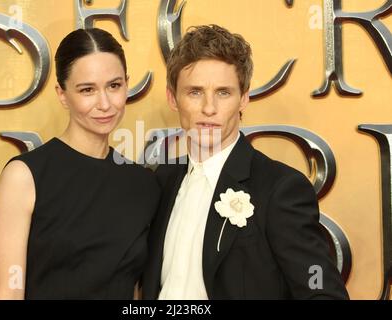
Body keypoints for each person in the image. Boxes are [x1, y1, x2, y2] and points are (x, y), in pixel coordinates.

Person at [142, 25, 349, 299]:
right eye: (194, 92)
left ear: (244, 98)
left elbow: (321, 290)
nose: (209, 108)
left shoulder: (280, 188)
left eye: (223, 92)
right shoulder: (160, 183)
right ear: (173, 98)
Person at [0, 28, 160, 299]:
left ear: (127, 85)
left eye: (114, 86)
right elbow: (9, 292)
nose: (104, 103)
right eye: (87, 90)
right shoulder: (25, 177)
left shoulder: (144, 184)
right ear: (62, 94)